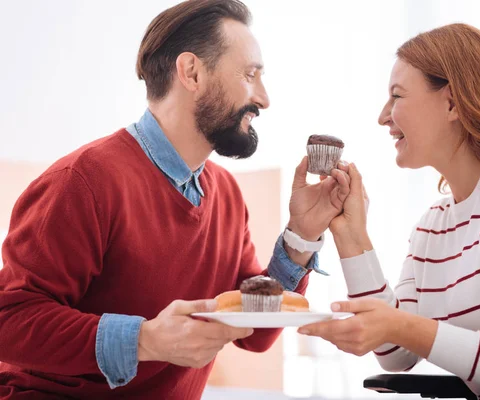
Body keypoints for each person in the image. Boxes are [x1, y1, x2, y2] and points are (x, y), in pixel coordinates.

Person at [0, 1, 350, 398]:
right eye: (250, 75)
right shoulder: (83, 181)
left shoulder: (227, 196)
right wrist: (144, 340)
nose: (264, 98)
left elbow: (254, 333)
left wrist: (302, 236)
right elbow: (9, 318)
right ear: (192, 72)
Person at [299, 23, 480, 399]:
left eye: (397, 96)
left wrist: (400, 326)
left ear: (453, 103)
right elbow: (396, 353)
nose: (383, 116)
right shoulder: (435, 224)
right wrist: (351, 234)